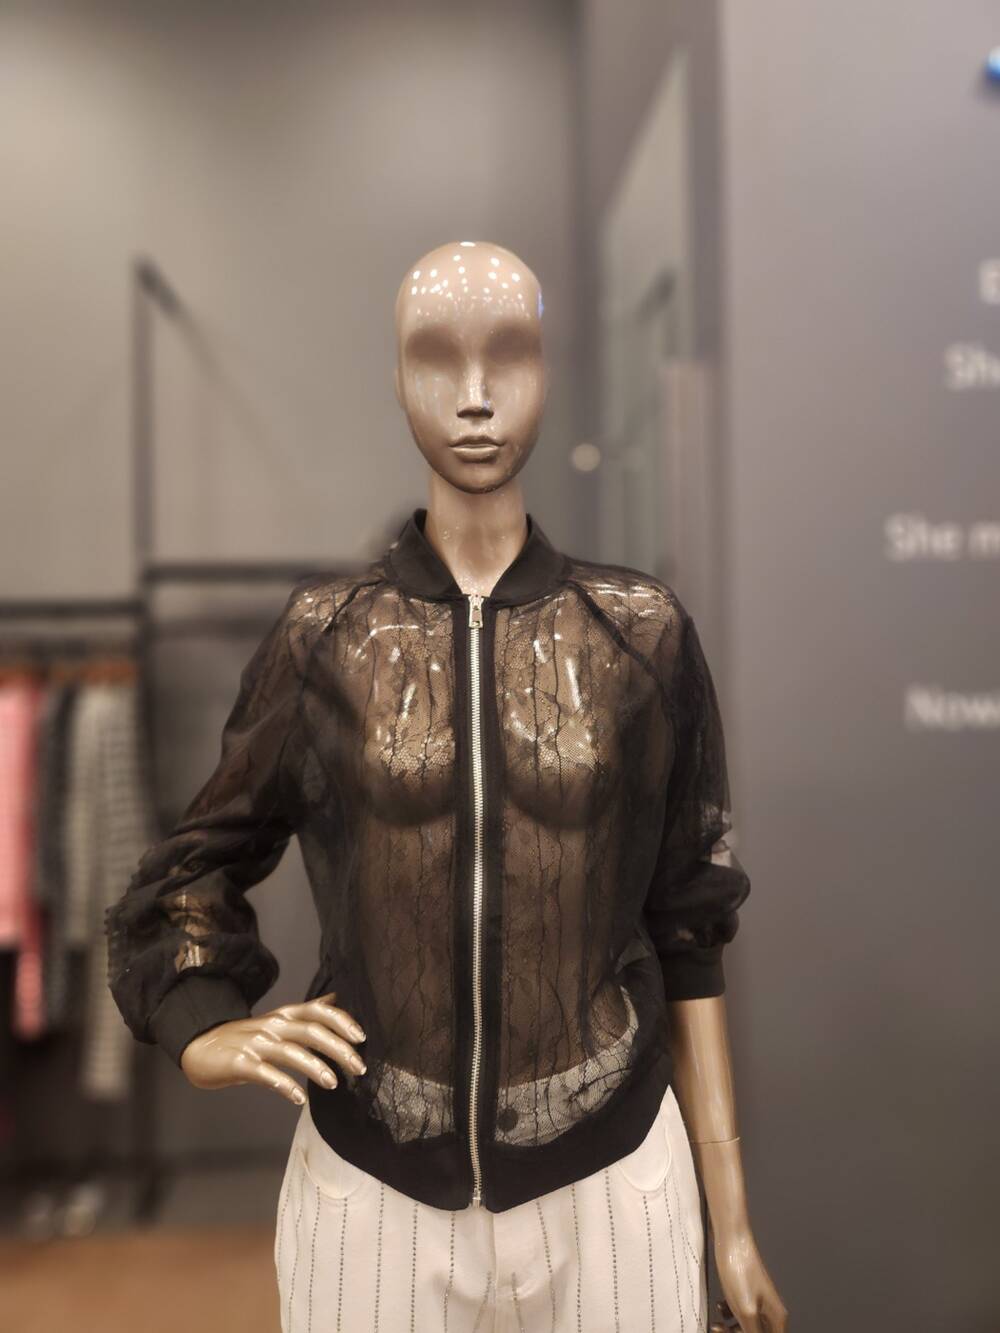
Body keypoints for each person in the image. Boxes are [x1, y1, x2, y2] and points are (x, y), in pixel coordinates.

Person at [105, 240, 787, 1332]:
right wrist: (200, 1025)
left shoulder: (639, 633)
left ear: (547, 371)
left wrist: (733, 1217)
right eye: (435, 358)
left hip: (612, 1172)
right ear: (395, 377)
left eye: (507, 355)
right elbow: (196, 864)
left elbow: (689, 923)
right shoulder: (327, 635)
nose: (474, 395)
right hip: (372, 1182)